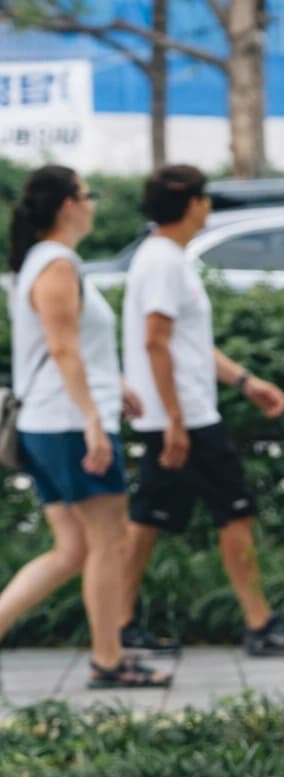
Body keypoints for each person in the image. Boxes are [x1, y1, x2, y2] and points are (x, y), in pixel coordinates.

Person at [119, 164, 284, 658]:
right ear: (192, 204)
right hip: (185, 417)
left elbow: (185, 344)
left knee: (147, 518)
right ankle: (260, 624)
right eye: (205, 198)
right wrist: (175, 420)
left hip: (176, 413)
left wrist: (245, 381)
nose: (209, 206)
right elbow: (155, 342)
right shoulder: (163, 262)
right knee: (235, 512)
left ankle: (117, 623)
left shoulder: (165, 257)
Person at [0, 165, 171, 688]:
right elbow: (61, 349)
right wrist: (95, 421)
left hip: (54, 420)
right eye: (87, 194)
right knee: (108, 541)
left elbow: (68, 347)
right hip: (69, 424)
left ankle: (105, 656)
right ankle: (108, 660)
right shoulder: (55, 264)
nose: (93, 203)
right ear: (67, 206)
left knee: (73, 550)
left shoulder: (45, 261)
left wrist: (112, 383)